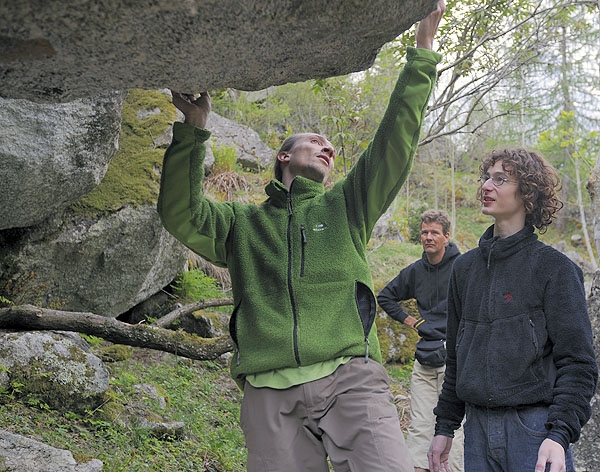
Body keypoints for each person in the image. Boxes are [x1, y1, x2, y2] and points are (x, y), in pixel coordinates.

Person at [158, 2, 445, 470]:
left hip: (351, 377)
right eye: (314, 141)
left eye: (330, 146)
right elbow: (180, 214)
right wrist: (194, 130)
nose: (327, 147)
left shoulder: (347, 206)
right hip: (270, 392)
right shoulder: (240, 224)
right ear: (284, 157)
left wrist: (422, 53)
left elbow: (393, 143)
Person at [428, 149, 599, 472]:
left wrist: (559, 434)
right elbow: (457, 356)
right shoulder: (464, 269)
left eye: (500, 179)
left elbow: (579, 364)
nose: (486, 186)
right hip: (476, 431)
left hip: (535, 430)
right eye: (486, 177)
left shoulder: (555, 269)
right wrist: (445, 426)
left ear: (528, 192)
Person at [378, 209, 464, 472]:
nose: (428, 237)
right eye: (424, 232)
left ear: (446, 236)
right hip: (424, 358)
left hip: (454, 358)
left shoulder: (463, 267)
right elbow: (385, 297)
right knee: (420, 424)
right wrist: (411, 322)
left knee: (454, 427)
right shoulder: (415, 271)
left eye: (434, 233)